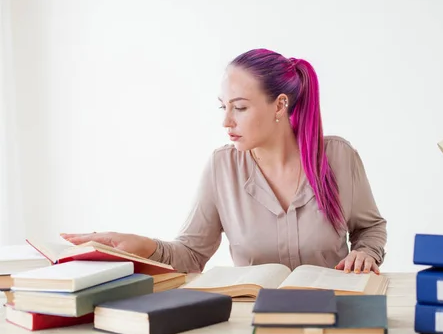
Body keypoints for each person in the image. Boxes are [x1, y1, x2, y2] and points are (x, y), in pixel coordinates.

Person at [61, 48, 387, 274]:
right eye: (223, 107)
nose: (227, 122)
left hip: (335, 314)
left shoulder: (338, 157)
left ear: (279, 105)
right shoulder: (222, 167)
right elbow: (191, 255)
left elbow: (370, 228)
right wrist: (143, 246)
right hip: (252, 323)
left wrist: (365, 253)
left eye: (240, 108)